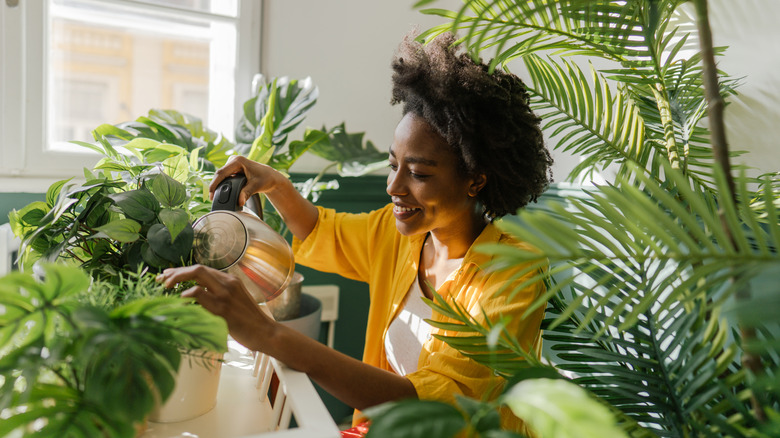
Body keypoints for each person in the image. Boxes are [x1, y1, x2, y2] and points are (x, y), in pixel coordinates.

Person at [156, 31, 553, 434]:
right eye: (392, 164)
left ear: (476, 180)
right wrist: (276, 184)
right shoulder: (401, 235)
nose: (394, 187)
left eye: (417, 173)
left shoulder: (514, 274)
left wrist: (268, 335)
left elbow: (437, 406)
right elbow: (323, 231)